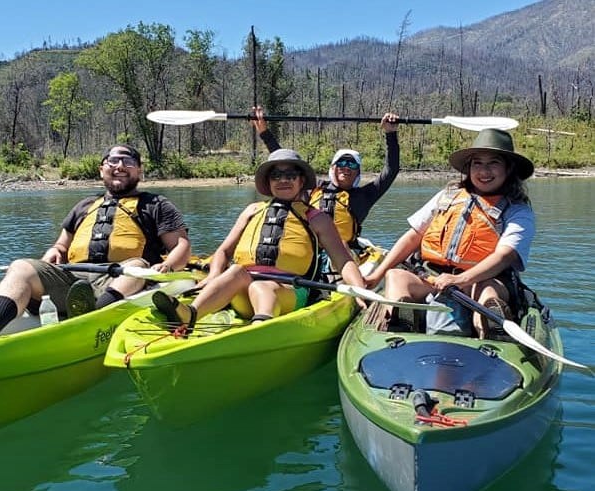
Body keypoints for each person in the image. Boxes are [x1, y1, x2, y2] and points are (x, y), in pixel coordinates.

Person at [0, 144, 191, 343]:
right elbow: (61, 245)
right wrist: (54, 251)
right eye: (112, 162)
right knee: (21, 267)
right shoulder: (84, 206)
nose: (120, 167)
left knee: (136, 265)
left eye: (128, 162)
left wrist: (168, 265)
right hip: (74, 283)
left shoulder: (155, 204)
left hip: (123, 278)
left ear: (139, 171)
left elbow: (181, 246)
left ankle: (92, 314)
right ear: (101, 169)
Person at [152, 148, 366, 332]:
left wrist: (358, 289)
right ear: (268, 181)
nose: (283, 180)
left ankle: (261, 326)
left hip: (290, 292)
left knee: (261, 287)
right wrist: (214, 276)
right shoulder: (252, 210)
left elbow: (343, 260)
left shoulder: (317, 218)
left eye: (290, 175)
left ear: (301, 181)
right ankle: (190, 314)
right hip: (243, 292)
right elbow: (224, 252)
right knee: (236, 272)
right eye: (276, 175)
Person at [363, 128, 535, 338]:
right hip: (431, 277)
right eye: (477, 163)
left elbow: (504, 256)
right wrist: (377, 274)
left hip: (481, 281)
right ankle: (401, 325)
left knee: (488, 293)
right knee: (396, 277)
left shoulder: (517, 210)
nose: (484, 171)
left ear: (509, 169)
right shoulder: (447, 196)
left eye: (493, 163)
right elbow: (413, 236)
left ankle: (490, 330)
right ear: (469, 168)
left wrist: (461, 279)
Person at [250, 106, 400, 250]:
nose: (346, 167)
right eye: (341, 162)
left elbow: (391, 170)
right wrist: (264, 132)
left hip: (345, 252)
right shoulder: (313, 186)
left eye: (352, 164)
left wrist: (390, 133)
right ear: (333, 167)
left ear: (358, 172)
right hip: (310, 250)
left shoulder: (366, 195)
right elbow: (285, 161)